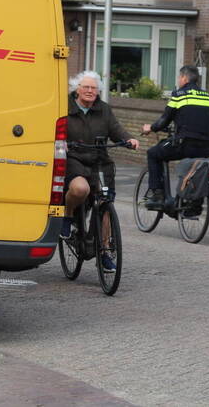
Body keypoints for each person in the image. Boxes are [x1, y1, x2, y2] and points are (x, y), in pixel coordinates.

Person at [64, 70, 139, 271]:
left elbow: (116, 130)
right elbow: (54, 129)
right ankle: (68, 215)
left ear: (98, 92)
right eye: (86, 87)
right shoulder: (65, 107)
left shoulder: (104, 110)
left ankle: (104, 252)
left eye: (94, 88)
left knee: (105, 204)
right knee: (80, 190)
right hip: (75, 159)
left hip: (99, 162)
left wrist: (128, 139)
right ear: (77, 89)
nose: (89, 91)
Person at [141, 65, 209, 209]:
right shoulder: (208, 97)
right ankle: (193, 200)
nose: (178, 80)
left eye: (179, 77)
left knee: (153, 154)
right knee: (193, 165)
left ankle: (157, 195)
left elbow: (164, 120)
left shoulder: (179, 94)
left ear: (184, 78)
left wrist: (150, 128)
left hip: (185, 145)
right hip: (206, 147)